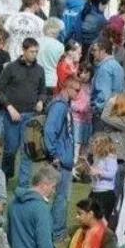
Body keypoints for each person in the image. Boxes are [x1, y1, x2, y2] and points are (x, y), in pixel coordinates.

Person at [0, 37, 46, 178]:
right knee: (10, 149)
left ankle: (23, 183)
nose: (34, 54)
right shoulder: (11, 68)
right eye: (31, 51)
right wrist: (9, 107)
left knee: (27, 151)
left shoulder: (40, 70)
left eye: (36, 52)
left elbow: (42, 91)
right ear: (23, 50)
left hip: (30, 115)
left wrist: (41, 100)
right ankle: (5, 176)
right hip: (12, 114)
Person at [42, 74, 79, 238]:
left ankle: (56, 230)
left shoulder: (64, 104)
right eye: (76, 90)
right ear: (67, 87)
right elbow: (50, 131)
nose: (79, 94)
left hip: (64, 159)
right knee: (60, 197)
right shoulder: (59, 106)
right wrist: (54, 154)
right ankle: (57, 232)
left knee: (61, 197)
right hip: (60, 160)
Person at [87, 133, 119, 226]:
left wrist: (98, 172)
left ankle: (103, 238)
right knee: (92, 216)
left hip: (105, 194)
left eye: (95, 143)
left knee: (102, 220)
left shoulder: (110, 158)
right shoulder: (97, 158)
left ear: (103, 145)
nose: (93, 145)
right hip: (95, 191)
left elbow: (111, 174)